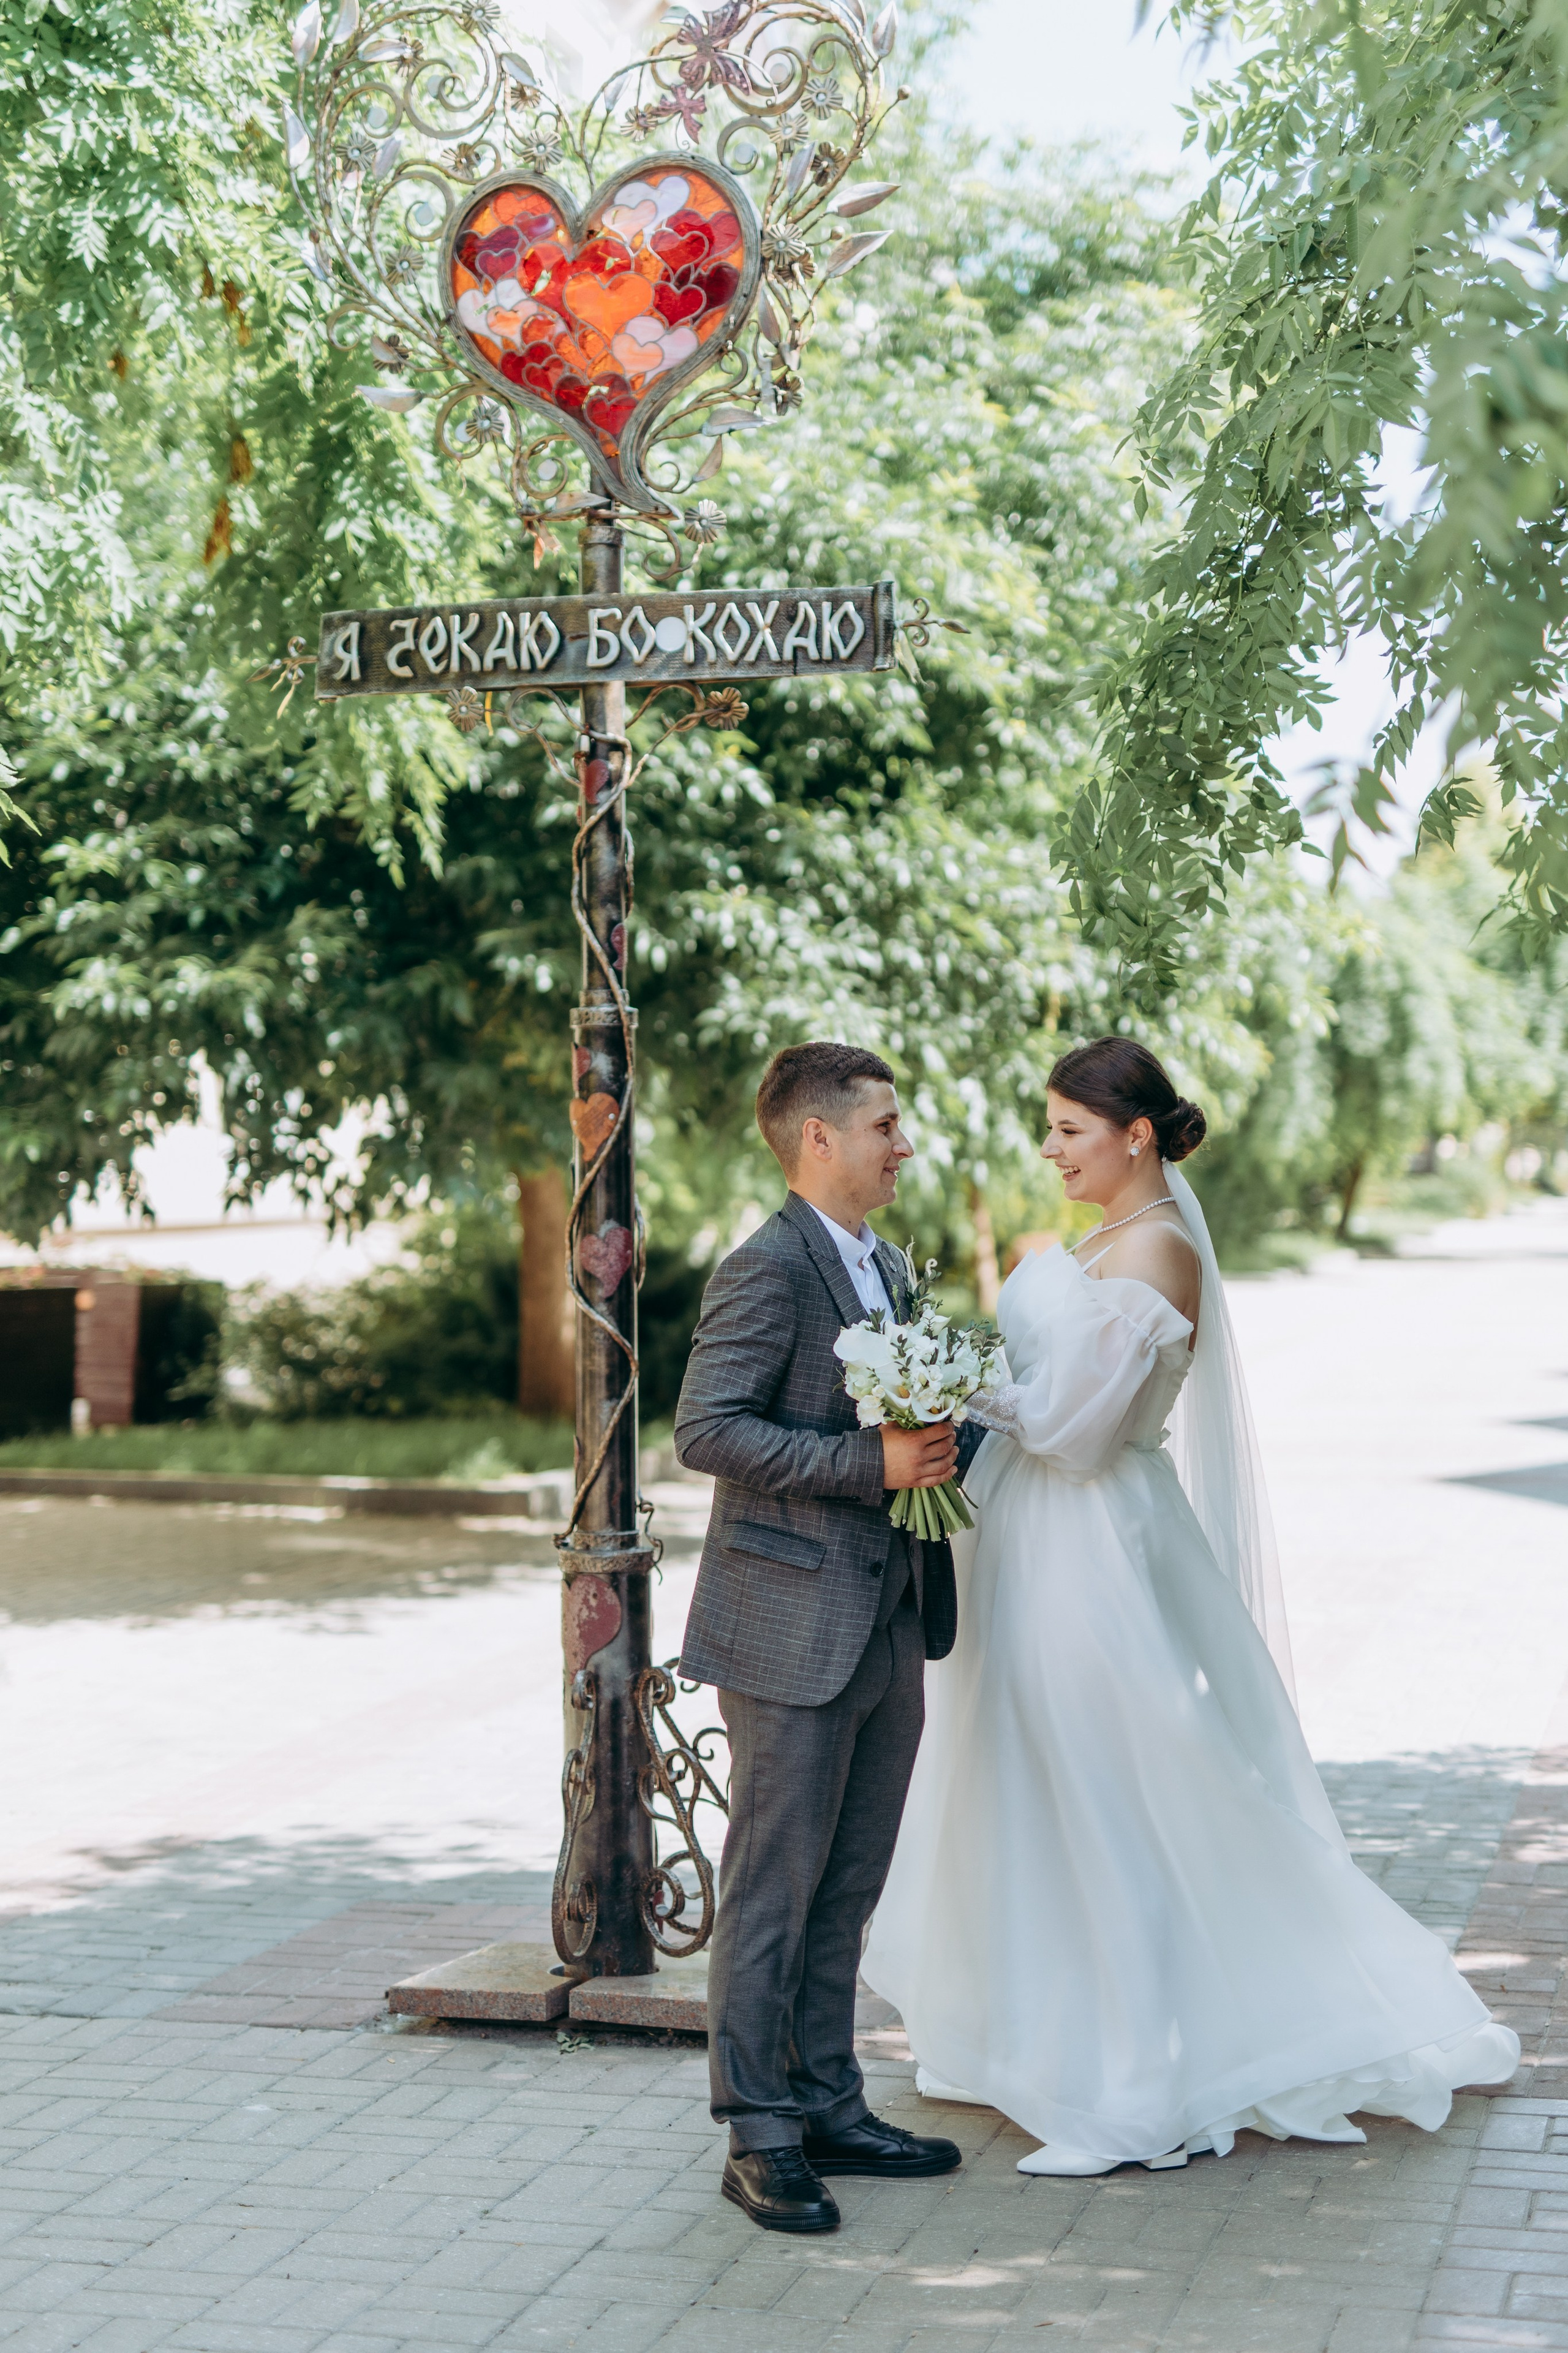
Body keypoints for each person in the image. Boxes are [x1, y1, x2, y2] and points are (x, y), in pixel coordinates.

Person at [862, 1035, 1519, 2176]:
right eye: (1051, 1127)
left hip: (1093, 1552)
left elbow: (1075, 1432)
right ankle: (1045, 2041)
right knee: (1033, 1788)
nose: (1052, 1148)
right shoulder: (1109, 1235)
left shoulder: (1160, 1251)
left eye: (1070, 1129)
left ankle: (1139, 2093)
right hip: (1032, 1546)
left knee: (1118, 1793)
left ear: (1138, 1134)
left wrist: (954, 1381)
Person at [674, 1041, 985, 2232]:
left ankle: (827, 2101)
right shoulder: (766, 1268)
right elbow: (708, 1429)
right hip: (787, 1628)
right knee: (772, 1885)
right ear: (818, 1137)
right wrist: (872, 1463)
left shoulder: (885, 1264)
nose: (902, 1145)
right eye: (885, 1127)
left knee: (847, 1880)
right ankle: (758, 2134)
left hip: (889, 1617)